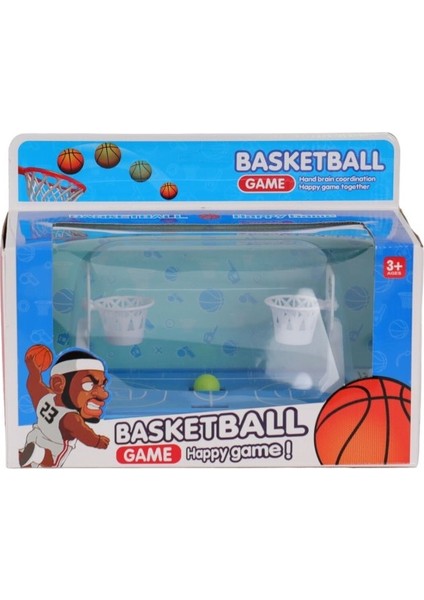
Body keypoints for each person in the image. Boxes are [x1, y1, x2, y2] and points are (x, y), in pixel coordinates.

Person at [20, 348, 110, 468]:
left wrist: (33, 370)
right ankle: (38, 454)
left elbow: (33, 384)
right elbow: (86, 436)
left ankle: (28, 454)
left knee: (26, 466)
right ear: (58, 384)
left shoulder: (45, 397)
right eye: (89, 384)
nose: (105, 394)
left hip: (34, 437)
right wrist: (98, 441)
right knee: (51, 462)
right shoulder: (71, 418)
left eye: (102, 385)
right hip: (53, 449)